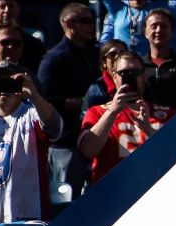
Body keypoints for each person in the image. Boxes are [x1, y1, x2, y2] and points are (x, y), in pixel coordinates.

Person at [78, 51, 174, 184]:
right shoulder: (97, 113)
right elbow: (87, 151)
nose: (130, 78)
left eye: (135, 73)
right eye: (124, 74)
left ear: (144, 76)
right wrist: (112, 112)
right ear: (114, 78)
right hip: (113, 193)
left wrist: (148, 130)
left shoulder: (167, 114)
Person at [37, 2, 100, 199]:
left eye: (92, 20)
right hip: (66, 144)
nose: (91, 26)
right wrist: (72, 103)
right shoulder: (53, 59)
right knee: (66, 202)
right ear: (68, 24)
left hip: (97, 138)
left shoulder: (96, 53)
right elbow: (43, 99)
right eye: (85, 21)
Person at [0, 60, 61, 222]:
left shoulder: (32, 115)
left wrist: (34, 95)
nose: (4, 90)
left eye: (9, 83)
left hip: (29, 219)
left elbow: (54, 128)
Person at [142, 7, 176, 109]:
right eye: (154, 26)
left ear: (172, 32)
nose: (158, 30)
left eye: (164, 26)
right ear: (145, 33)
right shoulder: (139, 65)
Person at [0, 1, 45, 71]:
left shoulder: (34, 45)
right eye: (2, 6)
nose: (7, 10)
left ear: (18, 9)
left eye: (11, 6)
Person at [82, 39, 127, 113]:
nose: (117, 57)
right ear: (104, 62)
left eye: (122, 53)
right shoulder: (95, 91)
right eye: (112, 54)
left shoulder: (138, 81)